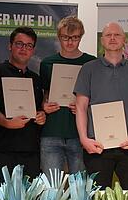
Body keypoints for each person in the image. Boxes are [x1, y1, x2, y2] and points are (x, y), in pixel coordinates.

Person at [75, 22, 128, 189]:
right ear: (102, 40)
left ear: (125, 40)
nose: (112, 38)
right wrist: (84, 139)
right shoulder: (88, 69)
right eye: (108, 35)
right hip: (97, 147)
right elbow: (80, 107)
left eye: (117, 35)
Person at [0, 27, 46, 183]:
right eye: (19, 44)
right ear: (10, 46)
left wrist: (41, 116)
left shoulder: (36, 79)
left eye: (28, 45)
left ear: (33, 50)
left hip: (30, 151)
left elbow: (39, 109)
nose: (23, 49)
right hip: (1, 149)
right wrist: (6, 122)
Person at [39, 15, 97, 174]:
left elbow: (96, 98)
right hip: (52, 131)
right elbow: (44, 95)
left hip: (80, 135)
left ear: (81, 37)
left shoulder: (91, 63)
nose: (70, 42)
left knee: (79, 188)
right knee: (51, 187)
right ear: (59, 37)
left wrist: (83, 107)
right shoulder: (47, 63)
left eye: (75, 37)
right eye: (65, 37)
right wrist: (44, 106)